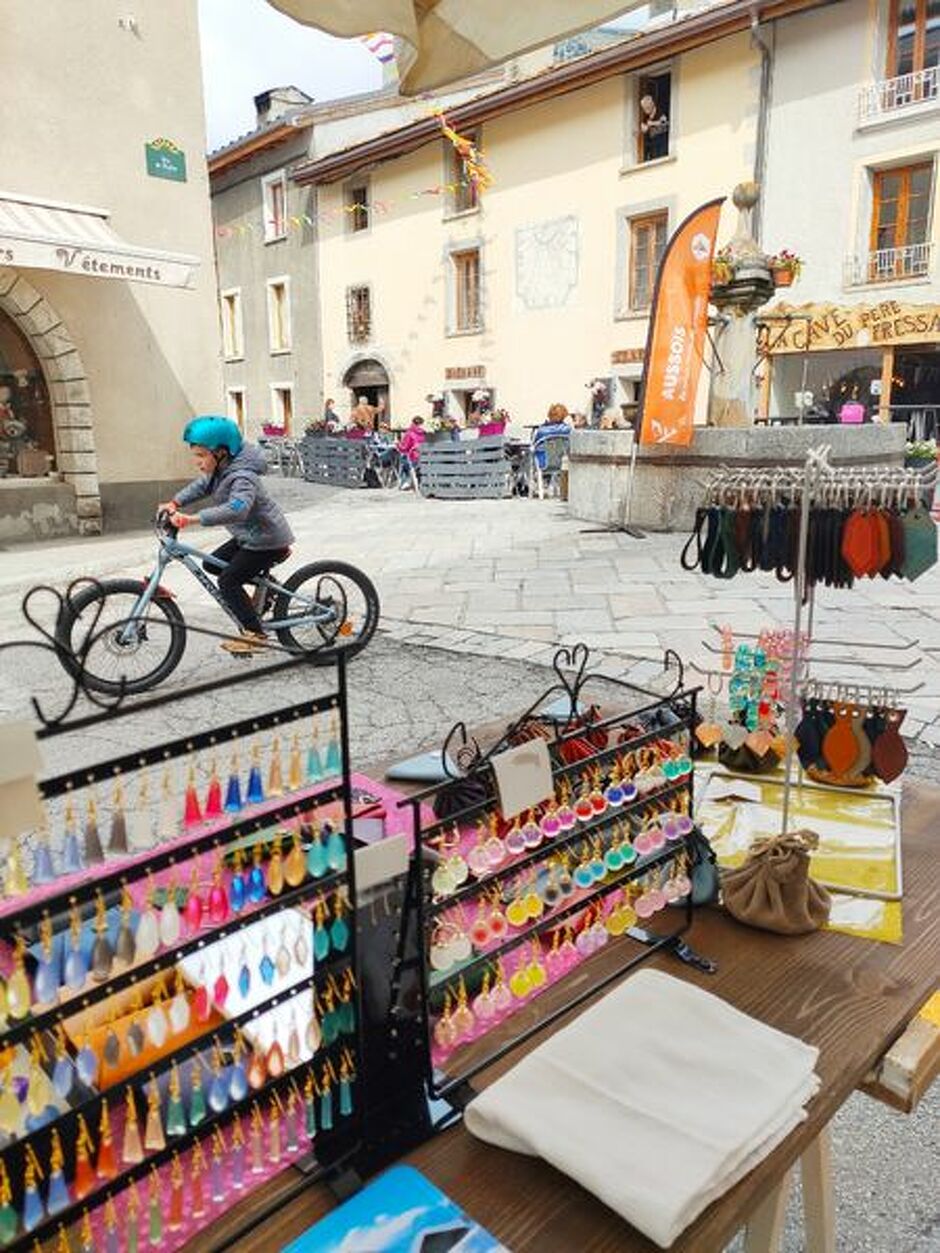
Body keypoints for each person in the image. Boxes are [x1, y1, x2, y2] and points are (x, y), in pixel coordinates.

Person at [157, 416, 294, 656]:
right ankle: (267, 590)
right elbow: (201, 486)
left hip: (266, 540)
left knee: (228, 581)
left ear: (221, 452)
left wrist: (193, 519)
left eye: (201, 456)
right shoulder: (222, 469)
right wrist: (175, 502)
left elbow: (237, 509)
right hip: (249, 537)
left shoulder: (243, 477)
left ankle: (255, 634)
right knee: (212, 564)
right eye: (195, 455)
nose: (197, 462)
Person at [639, 93, 669, 162]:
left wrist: (652, 123)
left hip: (662, 144)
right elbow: (644, 129)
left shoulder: (660, 111)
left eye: (647, 107)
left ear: (652, 104)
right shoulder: (645, 118)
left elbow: (665, 123)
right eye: (644, 108)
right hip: (653, 146)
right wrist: (644, 130)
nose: (646, 110)